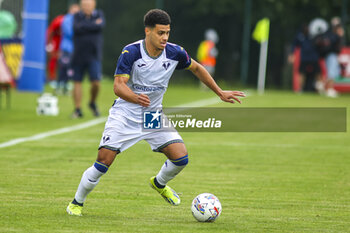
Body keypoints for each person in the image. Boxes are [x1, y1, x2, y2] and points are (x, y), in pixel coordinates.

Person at [66, 9, 245, 216]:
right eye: (160, 33)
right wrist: (135, 97)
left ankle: (159, 183)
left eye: (167, 32)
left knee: (180, 158)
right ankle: (76, 203)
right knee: (103, 161)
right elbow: (118, 86)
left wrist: (219, 92)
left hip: (152, 116)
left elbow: (197, 68)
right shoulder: (131, 52)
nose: (165, 37)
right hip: (125, 114)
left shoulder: (174, 52)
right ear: (148, 31)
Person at [71, 0, 105, 118]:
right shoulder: (76, 16)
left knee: (96, 83)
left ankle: (92, 102)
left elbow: (100, 25)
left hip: (93, 55)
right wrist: (93, 25)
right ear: (81, 6)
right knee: (77, 82)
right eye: (84, 5)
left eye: (89, 5)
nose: (87, 7)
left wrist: (85, 26)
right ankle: (77, 109)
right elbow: (76, 28)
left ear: (94, 5)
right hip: (79, 54)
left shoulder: (99, 14)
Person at [56, 3, 80, 95]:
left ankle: (65, 87)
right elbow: (69, 32)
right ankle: (59, 86)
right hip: (66, 48)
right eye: (74, 10)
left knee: (71, 69)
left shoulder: (78, 19)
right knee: (63, 67)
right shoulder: (66, 19)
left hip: (75, 49)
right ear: (70, 10)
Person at [289, 23, 321, 92]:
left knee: (318, 73)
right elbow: (294, 45)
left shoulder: (313, 36)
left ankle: (319, 88)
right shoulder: (299, 36)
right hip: (304, 58)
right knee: (302, 73)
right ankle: (300, 89)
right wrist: (292, 55)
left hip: (314, 57)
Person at [46, 14, 64, 83]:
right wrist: (49, 45)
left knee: (63, 59)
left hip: (62, 39)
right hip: (54, 39)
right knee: (53, 58)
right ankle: (52, 77)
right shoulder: (59, 21)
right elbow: (51, 32)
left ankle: (62, 79)